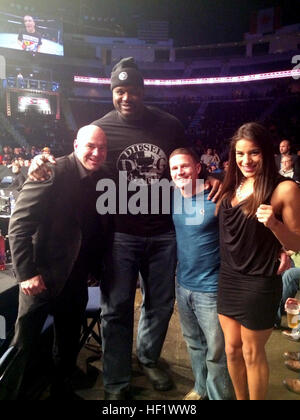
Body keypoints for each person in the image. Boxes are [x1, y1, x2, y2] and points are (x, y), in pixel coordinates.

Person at [27, 57, 221, 400]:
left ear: (142, 92)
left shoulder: (169, 124)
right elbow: (77, 158)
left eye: (132, 91)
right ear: (112, 92)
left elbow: (184, 163)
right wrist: (42, 162)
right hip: (120, 234)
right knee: (116, 308)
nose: (126, 97)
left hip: (164, 232)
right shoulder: (102, 127)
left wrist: (215, 180)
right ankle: (116, 381)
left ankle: (147, 357)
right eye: (119, 91)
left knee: (159, 305)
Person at [0, 125, 108, 400]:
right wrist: (26, 274)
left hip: (76, 278)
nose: (96, 153)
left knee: (68, 344)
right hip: (41, 277)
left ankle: (62, 392)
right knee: (24, 345)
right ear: (75, 145)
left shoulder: (101, 177)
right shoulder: (50, 171)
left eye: (102, 148)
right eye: (90, 146)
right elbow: (19, 225)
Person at [216, 122, 300, 400]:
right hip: (229, 278)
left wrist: (275, 224)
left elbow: (297, 243)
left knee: (252, 353)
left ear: (266, 152)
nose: (246, 160)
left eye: (254, 153)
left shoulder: (284, 188)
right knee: (231, 349)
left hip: (259, 281)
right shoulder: (232, 184)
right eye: (240, 154)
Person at [169, 147, 234, 400]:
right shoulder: (171, 195)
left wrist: (278, 250)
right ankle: (201, 387)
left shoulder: (218, 195)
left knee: (217, 351)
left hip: (211, 287)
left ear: (198, 167)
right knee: (194, 343)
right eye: (174, 168)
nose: (179, 172)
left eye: (184, 166)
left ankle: (219, 396)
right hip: (183, 284)